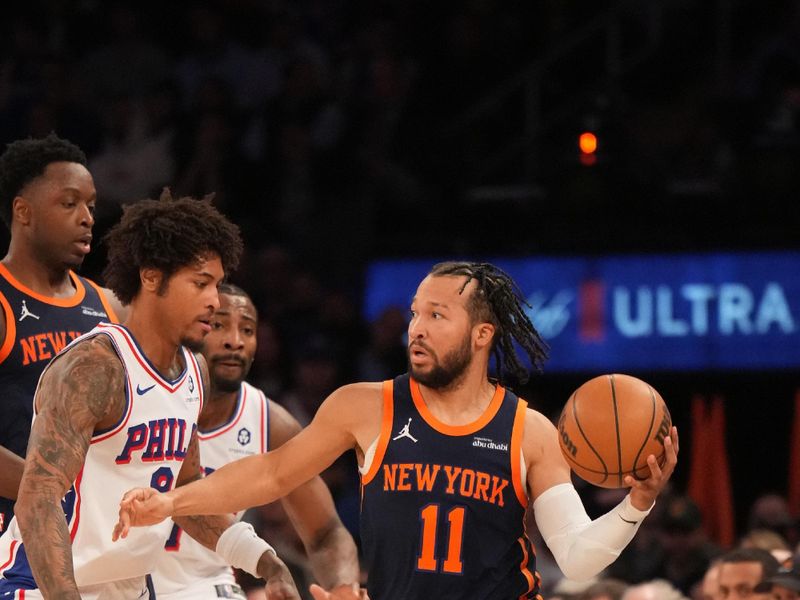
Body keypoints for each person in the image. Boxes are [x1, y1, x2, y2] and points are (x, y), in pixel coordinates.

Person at [115, 261, 680, 600]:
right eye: (415, 312)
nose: (417, 327)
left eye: (438, 315)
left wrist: (637, 504)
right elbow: (269, 473)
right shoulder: (366, 406)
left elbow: (577, 559)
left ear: (482, 334)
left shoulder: (528, 431)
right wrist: (171, 502)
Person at [0, 193, 300, 599]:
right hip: (42, 584)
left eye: (216, 283)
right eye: (200, 283)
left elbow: (188, 492)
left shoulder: (195, 371)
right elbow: (38, 501)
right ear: (151, 277)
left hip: (128, 586)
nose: (215, 299)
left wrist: (265, 561)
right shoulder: (95, 368)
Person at [151, 283, 363, 599]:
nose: (235, 341)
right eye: (218, 325)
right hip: (121, 576)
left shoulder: (271, 423)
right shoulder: (143, 396)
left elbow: (325, 532)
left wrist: (343, 587)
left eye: (247, 330)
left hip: (203, 585)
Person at [0, 132, 127, 533]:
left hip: (94, 536)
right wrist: (62, 495)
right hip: (13, 531)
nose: (88, 218)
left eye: (90, 205)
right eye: (69, 203)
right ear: (24, 212)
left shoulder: (111, 305)